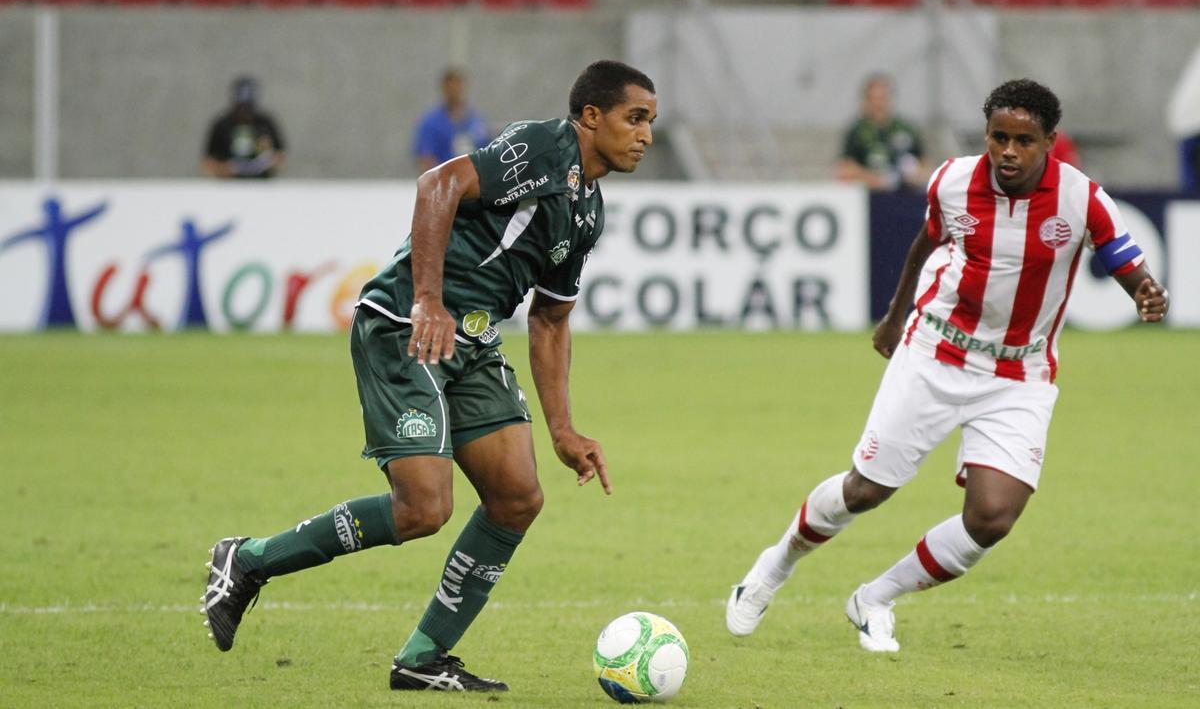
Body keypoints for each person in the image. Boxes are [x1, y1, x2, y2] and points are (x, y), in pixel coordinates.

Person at [202, 60, 658, 692]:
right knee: (424, 507)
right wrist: (427, 299)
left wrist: (563, 429)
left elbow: (551, 320)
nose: (645, 135)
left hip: (470, 338)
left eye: (651, 123)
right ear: (591, 117)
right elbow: (438, 184)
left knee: (518, 497)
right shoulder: (543, 146)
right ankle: (249, 560)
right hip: (405, 324)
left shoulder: (587, 211)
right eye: (635, 118)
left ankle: (422, 658)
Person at [726, 79, 1169, 653]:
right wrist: (893, 317)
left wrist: (1145, 292)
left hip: (1019, 373)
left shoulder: (1081, 198)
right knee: (865, 492)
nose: (1008, 151)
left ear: (1049, 142)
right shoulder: (953, 181)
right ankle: (774, 565)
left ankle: (875, 598)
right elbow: (924, 245)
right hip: (937, 351)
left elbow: (1121, 257)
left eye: (1023, 141)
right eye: (998, 137)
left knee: (992, 518)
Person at [837, 73, 927, 191]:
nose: (879, 104)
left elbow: (924, 163)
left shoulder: (905, 128)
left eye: (883, 98)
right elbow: (845, 169)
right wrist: (876, 180)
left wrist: (914, 175)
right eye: (874, 99)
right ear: (866, 101)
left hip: (905, 196)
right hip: (871, 197)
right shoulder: (856, 131)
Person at [201, 76, 287, 179]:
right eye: (241, 107)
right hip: (229, 185)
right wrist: (223, 169)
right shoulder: (222, 125)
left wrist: (267, 162)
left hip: (261, 185)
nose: (244, 113)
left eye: (248, 108)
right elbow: (208, 160)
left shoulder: (265, 123)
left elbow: (281, 155)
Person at [412, 67, 492, 174]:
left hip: (475, 183)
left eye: (459, 85)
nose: (455, 90)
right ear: (444, 88)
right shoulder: (431, 123)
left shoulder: (477, 121)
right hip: (445, 183)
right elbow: (425, 158)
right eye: (451, 86)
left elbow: (488, 153)